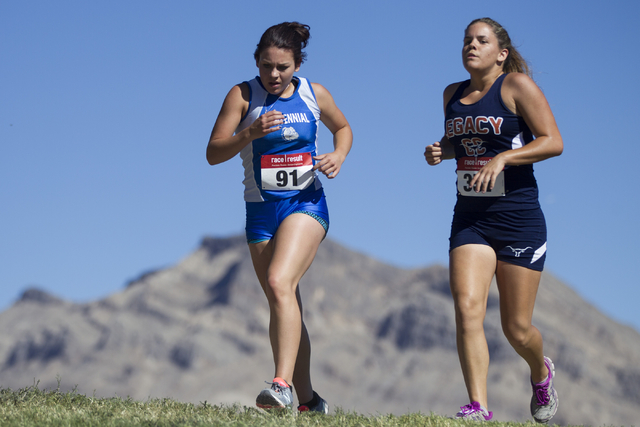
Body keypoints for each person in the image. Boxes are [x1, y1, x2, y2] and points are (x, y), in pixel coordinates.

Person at [206, 22, 352, 413]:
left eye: (283, 67)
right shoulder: (241, 95)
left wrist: (338, 155)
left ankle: (281, 385)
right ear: (257, 61)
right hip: (260, 213)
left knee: (278, 281)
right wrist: (249, 133)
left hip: (304, 205)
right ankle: (309, 401)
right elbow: (214, 152)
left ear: (297, 64)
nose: (274, 75)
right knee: (282, 298)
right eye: (267, 66)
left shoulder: (313, 94)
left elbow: (343, 127)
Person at [424, 18, 563, 422]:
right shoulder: (452, 93)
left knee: (517, 330)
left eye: (481, 41)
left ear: (500, 53)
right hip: (471, 218)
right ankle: (478, 407)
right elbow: (466, 143)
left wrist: (503, 158)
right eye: (467, 40)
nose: (471, 46)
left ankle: (541, 371)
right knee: (467, 308)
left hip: (518, 219)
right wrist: (443, 151)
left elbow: (552, 141)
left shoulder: (517, 87)